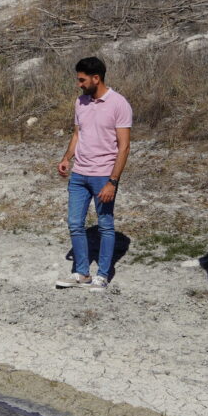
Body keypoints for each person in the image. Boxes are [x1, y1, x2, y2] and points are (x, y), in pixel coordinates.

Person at [56, 57, 132, 291]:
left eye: (82, 79)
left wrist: (112, 181)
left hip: (103, 176)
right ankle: (81, 274)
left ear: (96, 78)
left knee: (105, 226)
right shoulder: (80, 102)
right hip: (79, 174)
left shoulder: (119, 104)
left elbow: (124, 146)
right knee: (75, 223)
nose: (79, 84)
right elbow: (78, 134)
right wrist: (67, 158)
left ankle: (103, 275)